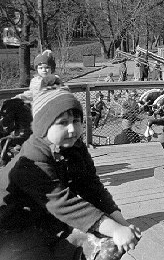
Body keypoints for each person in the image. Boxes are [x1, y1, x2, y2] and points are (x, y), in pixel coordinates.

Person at [0, 83, 141, 259]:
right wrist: (115, 229)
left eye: (76, 121)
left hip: (48, 220)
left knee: (110, 244)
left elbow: (92, 187)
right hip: (13, 225)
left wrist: (121, 224)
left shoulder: (74, 147)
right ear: (44, 126)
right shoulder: (31, 158)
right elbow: (63, 203)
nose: (72, 129)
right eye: (63, 123)